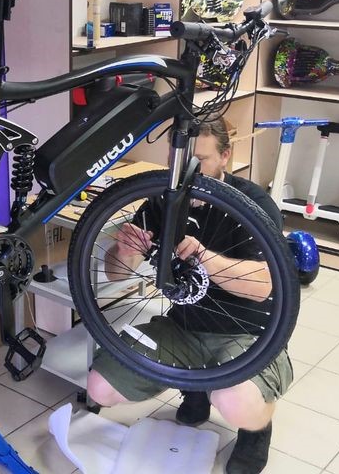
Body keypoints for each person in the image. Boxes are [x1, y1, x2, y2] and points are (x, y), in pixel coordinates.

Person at [86, 116, 293, 474]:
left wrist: (204, 257)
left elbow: (263, 287)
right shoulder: (163, 198)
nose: (185, 171)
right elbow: (115, 274)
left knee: (237, 404)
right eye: (178, 160)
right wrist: (125, 252)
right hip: (182, 327)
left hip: (247, 334)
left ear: (226, 156)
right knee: (99, 387)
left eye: (200, 161)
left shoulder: (253, 203)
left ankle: (256, 430)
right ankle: (196, 385)